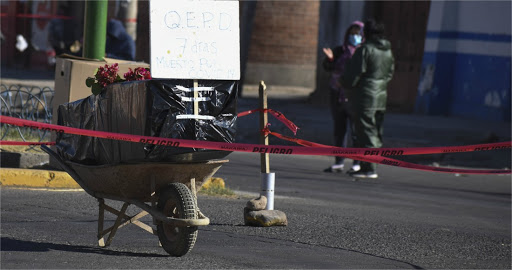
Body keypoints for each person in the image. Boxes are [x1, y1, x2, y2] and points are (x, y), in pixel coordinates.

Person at [341, 19, 395, 179]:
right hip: (381, 95)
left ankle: (370, 168)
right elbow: (390, 73)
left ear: (367, 34)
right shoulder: (387, 51)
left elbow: (353, 75)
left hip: (365, 96)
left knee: (366, 132)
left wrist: (344, 82)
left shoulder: (365, 50)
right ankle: (367, 165)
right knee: (376, 131)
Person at [322, 21, 364, 173]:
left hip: (354, 96)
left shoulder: (363, 52)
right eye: (352, 33)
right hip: (337, 95)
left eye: (358, 33)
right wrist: (331, 60)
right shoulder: (340, 50)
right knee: (339, 129)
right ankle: (339, 161)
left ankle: (357, 163)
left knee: (356, 131)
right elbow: (327, 67)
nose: (355, 36)